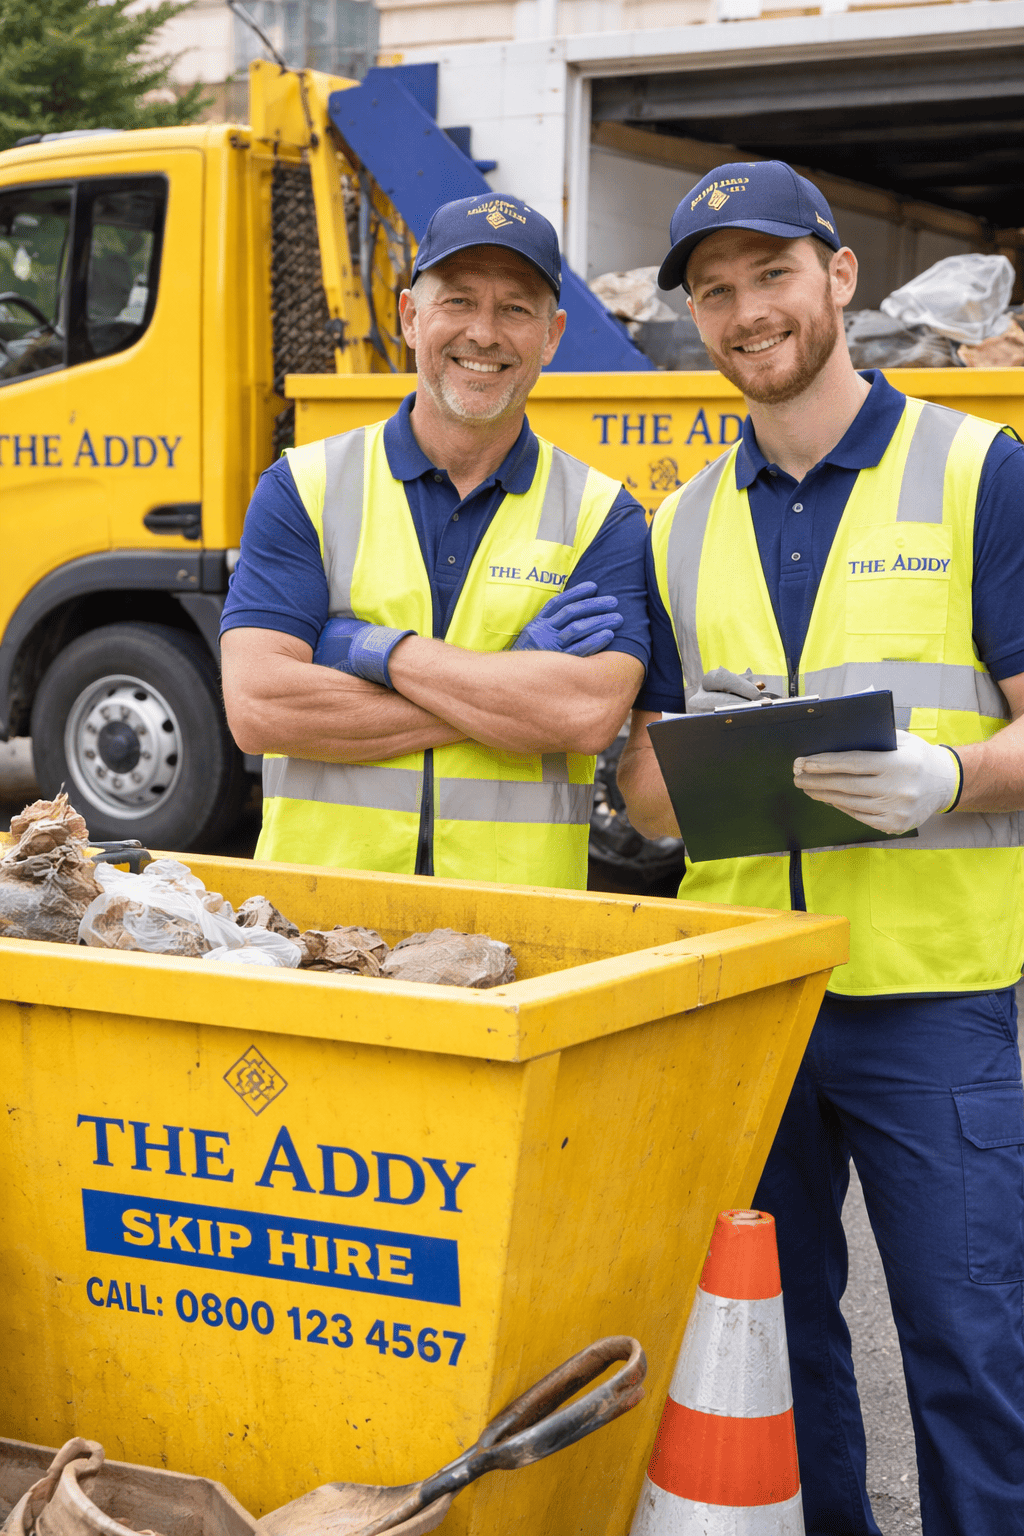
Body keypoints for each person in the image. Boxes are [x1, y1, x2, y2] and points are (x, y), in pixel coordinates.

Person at [618, 160, 1024, 1535]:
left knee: (968, 1352)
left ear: (838, 276)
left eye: (771, 275)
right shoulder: (676, 525)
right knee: (778, 1347)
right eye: (716, 293)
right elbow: (650, 794)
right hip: (750, 995)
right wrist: (653, 775)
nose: (747, 313)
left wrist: (952, 775)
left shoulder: (980, 475)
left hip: (928, 997)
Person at [220, 193, 649, 887]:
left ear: (553, 335)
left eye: (515, 307)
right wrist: (510, 679)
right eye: (456, 301)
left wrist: (372, 649)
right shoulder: (304, 486)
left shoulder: (604, 516)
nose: (483, 333)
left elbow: (584, 714)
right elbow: (260, 707)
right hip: (320, 928)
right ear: (409, 317)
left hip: (522, 935)